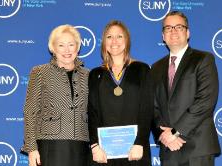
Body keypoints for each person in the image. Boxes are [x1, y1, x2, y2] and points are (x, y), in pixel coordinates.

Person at [150, 11, 221, 166]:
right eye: (168, 28)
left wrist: (175, 132)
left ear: (188, 33)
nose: (173, 31)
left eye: (179, 27)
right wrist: (164, 135)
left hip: (198, 148)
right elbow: (153, 106)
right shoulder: (155, 68)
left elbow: (205, 101)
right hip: (169, 149)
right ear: (163, 36)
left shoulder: (204, 60)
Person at [22, 24, 90, 166]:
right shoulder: (40, 72)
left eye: (71, 44)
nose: (67, 50)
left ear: (78, 47)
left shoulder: (89, 75)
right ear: (52, 48)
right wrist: (32, 149)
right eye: (61, 45)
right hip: (50, 146)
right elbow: (30, 111)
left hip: (81, 147)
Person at [88, 20, 152, 166]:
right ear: (104, 42)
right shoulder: (95, 74)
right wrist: (95, 146)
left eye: (119, 36)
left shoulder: (142, 69)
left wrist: (140, 142)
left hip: (135, 152)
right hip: (104, 155)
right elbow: (92, 113)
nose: (114, 41)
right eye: (109, 37)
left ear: (127, 40)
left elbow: (147, 109)